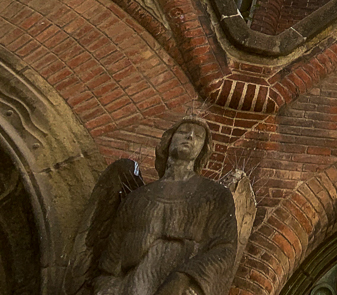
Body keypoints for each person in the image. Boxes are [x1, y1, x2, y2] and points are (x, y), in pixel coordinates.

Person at [92, 118, 238, 295]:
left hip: (180, 287)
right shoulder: (137, 198)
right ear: (169, 140)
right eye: (183, 132)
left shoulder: (215, 195)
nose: (190, 137)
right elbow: (111, 260)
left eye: (198, 136)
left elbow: (224, 248)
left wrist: (187, 280)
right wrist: (108, 288)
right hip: (133, 285)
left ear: (203, 150)